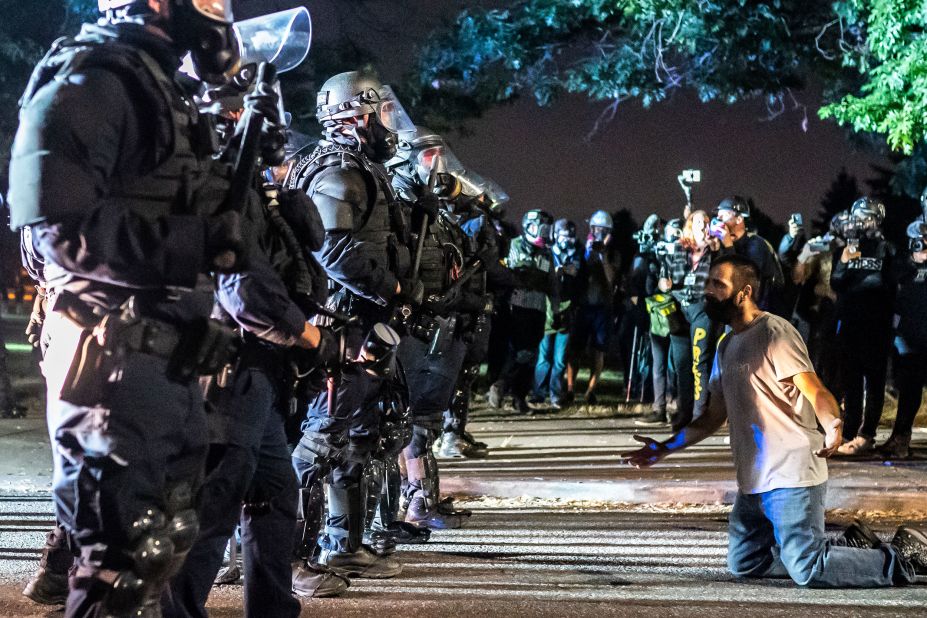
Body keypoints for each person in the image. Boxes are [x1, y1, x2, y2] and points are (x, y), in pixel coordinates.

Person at [6, 1, 256, 614]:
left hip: (166, 360)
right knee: (116, 568)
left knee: (158, 547)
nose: (217, 15)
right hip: (111, 362)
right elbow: (56, 229)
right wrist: (194, 243)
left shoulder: (157, 87)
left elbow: (170, 205)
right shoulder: (93, 79)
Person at [623, 254, 926, 587]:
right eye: (708, 282)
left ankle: (904, 560)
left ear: (744, 293)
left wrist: (833, 425)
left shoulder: (775, 334)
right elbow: (712, 416)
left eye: (718, 284)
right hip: (754, 482)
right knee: (746, 562)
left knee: (807, 568)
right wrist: (664, 448)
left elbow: (814, 389)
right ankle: (850, 549)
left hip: (792, 475)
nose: (707, 291)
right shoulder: (726, 346)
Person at [286, 69, 417, 578]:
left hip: (358, 322)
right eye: (381, 112)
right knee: (321, 439)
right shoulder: (338, 173)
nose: (389, 123)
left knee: (358, 434)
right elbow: (335, 251)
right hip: (342, 323)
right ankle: (285, 560)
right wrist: (395, 289)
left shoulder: (356, 166)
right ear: (353, 117)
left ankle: (342, 544)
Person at [387, 126, 479, 527]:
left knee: (425, 422)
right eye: (428, 157)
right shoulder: (397, 211)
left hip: (441, 325)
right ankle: (398, 508)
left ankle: (422, 502)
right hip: (408, 327)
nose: (437, 166)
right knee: (399, 423)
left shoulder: (435, 214)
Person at [830, 198, 896, 456]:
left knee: (875, 381)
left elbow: (892, 287)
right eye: (857, 216)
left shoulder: (886, 248)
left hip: (877, 325)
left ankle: (867, 434)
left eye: (866, 217)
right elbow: (836, 284)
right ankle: (849, 432)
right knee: (852, 381)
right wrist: (844, 261)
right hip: (849, 324)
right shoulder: (845, 247)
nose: (861, 221)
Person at [657, 210, 729, 430]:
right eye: (699, 221)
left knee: (700, 361)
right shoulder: (678, 248)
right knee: (681, 363)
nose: (704, 225)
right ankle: (684, 412)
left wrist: (720, 246)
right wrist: (665, 284)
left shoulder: (714, 250)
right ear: (690, 225)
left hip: (701, 308)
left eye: (707, 222)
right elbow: (663, 278)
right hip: (678, 308)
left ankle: (700, 414)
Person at [488, 209, 559, 413]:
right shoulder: (514, 246)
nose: (544, 232)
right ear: (530, 226)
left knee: (531, 355)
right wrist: (522, 275)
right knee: (520, 351)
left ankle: (518, 397)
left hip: (537, 309)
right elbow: (503, 274)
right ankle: (501, 384)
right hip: (515, 307)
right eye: (541, 227)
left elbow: (552, 284)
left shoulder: (546, 252)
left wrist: (556, 309)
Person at [880, 219, 927, 459]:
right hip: (909, 334)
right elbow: (893, 276)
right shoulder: (904, 262)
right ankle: (901, 436)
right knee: (909, 389)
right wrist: (913, 261)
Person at [567, 209, 619, 405]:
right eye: (596, 229)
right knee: (575, 349)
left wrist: (603, 254)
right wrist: (590, 252)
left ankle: (590, 391)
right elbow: (578, 273)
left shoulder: (613, 253)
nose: (599, 233)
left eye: (603, 230)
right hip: (583, 306)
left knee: (598, 351)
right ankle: (570, 389)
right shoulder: (582, 249)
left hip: (602, 308)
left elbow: (611, 278)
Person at [532, 218, 581, 408]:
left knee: (560, 360)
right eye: (562, 235)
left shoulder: (575, 253)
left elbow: (575, 272)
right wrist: (555, 270)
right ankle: (538, 394)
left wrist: (564, 270)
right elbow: (541, 275)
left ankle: (555, 395)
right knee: (543, 358)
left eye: (569, 236)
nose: (566, 239)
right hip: (548, 313)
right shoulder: (546, 253)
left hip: (566, 313)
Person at [714, 196, 784, 312]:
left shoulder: (756, 244)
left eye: (724, 215)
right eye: (718, 215)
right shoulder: (723, 244)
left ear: (739, 219)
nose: (718, 218)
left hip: (755, 313)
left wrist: (728, 245)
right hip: (732, 310)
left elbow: (744, 278)